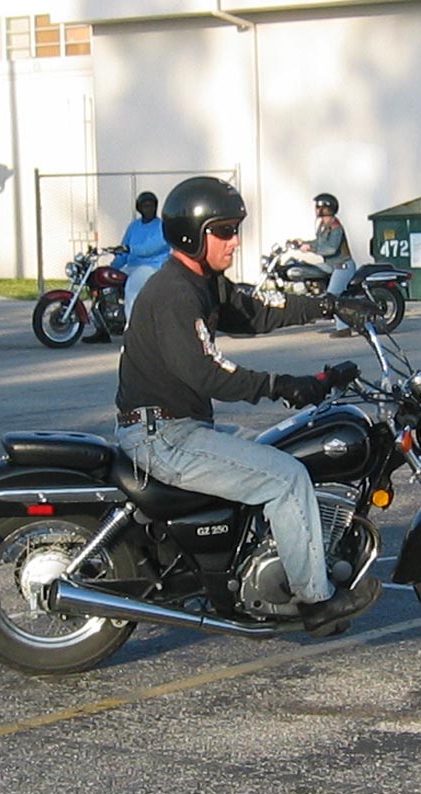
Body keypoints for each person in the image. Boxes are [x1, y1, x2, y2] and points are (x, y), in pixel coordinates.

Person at [114, 176, 381, 637]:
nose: (235, 241)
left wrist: (331, 305)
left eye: (235, 229)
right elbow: (208, 372)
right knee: (286, 478)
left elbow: (258, 309)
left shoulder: (201, 283)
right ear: (193, 236)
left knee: (278, 451)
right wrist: (282, 385)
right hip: (162, 437)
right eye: (224, 231)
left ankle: (266, 566)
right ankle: (317, 602)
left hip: (177, 428)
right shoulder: (175, 293)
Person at [87, 191, 170, 343]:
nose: (149, 209)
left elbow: (149, 248)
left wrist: (129, 249)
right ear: (139, 208)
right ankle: (102, 329)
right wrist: (113, 267)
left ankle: (133, 332)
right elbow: (123, 252)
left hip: (152, 266)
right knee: (103, 283)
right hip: (132, 265)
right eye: (145, 206)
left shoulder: (162, 227)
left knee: (131, 287)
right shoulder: (134, 226)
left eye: (151, 205)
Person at [283, 192, 357, 338]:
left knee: (332, 295)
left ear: (327, 209)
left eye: (318, 207)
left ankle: (344, 328)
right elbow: (319, 242)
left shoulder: (335, 227)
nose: (316, 209)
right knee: (308, 270)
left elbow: (331, 248)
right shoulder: (323, 225)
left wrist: (311, 248)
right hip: (330, 265)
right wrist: (302, 243)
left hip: (342, 266)